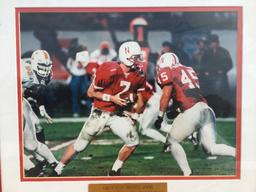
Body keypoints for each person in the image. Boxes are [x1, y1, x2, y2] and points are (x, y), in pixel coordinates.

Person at [52, 41, 146, 176]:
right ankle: (58, 169)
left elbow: (138, 96)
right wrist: (112, 98)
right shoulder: (109, 69)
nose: (138, 60)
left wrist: (134, 112)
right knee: (80, 146)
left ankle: (114, 171)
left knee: (133, 142)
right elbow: (91, 93)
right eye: (135, 57)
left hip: (117, 115)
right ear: (126, 56)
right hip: (100, 113)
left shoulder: (138, 74)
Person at [154, 52, 236, 176]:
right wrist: (176, 110)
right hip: (206, 109)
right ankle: (238, 153)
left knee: (172, 141)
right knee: (211, 148)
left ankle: (187, 173)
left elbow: (166, 96)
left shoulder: (167, 71)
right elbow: (185, 94)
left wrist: (160, 117)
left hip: (192, 111)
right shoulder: (188, 69)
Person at [22, 50, 58, 176]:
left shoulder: (46, 76)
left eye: (47, 66)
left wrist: (42, 108)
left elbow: (37, 90)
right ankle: (35, 166)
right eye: (42, 66)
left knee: (31, 141)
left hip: (21, 102)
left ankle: (54, 165)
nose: (45, 69)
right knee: (14, 143)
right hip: (9, 104)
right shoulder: (23, 71)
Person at [199, 34, 233, 98]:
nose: (211, 44)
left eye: (213, 42)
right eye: (211, 43)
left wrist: (222, 70)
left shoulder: (224, 52)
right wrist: (205, 71)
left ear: (217, 43)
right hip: (209, 77)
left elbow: (229, 64)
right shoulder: (207, 52)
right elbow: (202, 64)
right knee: (211, 94)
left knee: (222, 94)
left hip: (221, 77)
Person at [67, 44, 91, 117]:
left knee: (87, 94)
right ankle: (76, 111)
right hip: (75, 76)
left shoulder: (85, 57)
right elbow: (68, 66)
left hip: (83, 76)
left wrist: (81, 63)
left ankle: (90, 110)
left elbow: (84, 65)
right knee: (75, 95)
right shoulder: (71, 58)